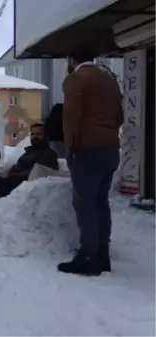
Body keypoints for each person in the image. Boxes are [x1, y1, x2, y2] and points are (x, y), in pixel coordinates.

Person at [58, 46, 123, 276]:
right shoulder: (109, 79)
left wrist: (71, 147)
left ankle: (87, 256)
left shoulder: (76, 79)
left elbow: (71, 116)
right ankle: (102, 255)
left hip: (87, 149)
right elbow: (120, 115)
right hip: (110, 148)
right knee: (100, 202)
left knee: (84, 203)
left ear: (71, 59)